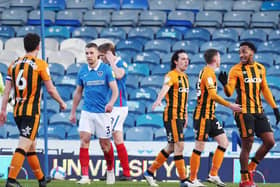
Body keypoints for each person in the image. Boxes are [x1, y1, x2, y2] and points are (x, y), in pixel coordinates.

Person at [0, 33, 67, 187]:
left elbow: (6, 91)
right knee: (24, 144)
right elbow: (50, 89)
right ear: (38, 46)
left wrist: (3, 110)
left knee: (31, 145)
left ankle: (41, 179)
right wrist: (61, 102)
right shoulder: (40, 64)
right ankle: (11, 180)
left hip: (17, 112)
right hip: (31, 112)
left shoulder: (13, 64)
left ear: (25, 46)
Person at [218, 41, 280, 187]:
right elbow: (229, 92)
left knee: (270, 141)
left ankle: (250, 169)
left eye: (244, 51)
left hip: (258, 110)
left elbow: (265, 89)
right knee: (248, 143)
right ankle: (245, 180)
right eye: (239, 52)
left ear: (252, 52)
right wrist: (225, 84)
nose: (241, 55)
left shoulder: (260, 68)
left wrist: (275, 108)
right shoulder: (235, 70)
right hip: (243, 111)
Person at [183, 49, 241, 187]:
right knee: (199, 146)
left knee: (224, 142)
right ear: (215, 59)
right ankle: (192, 180)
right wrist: (230, 105)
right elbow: (213, 95)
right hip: (203, 116)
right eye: (219, 56)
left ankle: (213, 174)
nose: (220, 59)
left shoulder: (208, 72)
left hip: (210, 115)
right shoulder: (208, 74)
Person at [69, 42, 119, 185]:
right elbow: (78, 93)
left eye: (91, 53)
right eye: (87, 53)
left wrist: (110, 103)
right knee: (84, 140)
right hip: (87, 112)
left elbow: (115, 90)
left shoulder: (106, 70)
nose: (89, 56)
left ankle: (110, 170)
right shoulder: (83, 71)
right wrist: (73, 112)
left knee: (105, 145)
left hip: (102, 114)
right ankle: (85, 176)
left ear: (97, 54)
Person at [143, 49, 191, 187]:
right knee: (179, 145)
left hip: (181, 116)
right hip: (172, 115)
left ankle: (149, 172)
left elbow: (185, 99)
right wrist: (158, 100)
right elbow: (165, 87)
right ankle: (183, 180)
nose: (186, 61)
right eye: (182, 59)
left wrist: (186, 115)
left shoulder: (186, 78)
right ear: (175, 61)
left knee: (171, 147)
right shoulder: (171, 75)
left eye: (187, 59)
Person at [98, 43, 131, 180]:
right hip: (111, 106)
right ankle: (125, 173)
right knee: (117, 138)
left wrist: (111, 60)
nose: (101, 59)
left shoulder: (120, 63)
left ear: (108, 53)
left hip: (119, 106)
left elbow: (118, 75)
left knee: (105, 137)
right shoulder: (105, 66)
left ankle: (112, 171)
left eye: (101, 56)